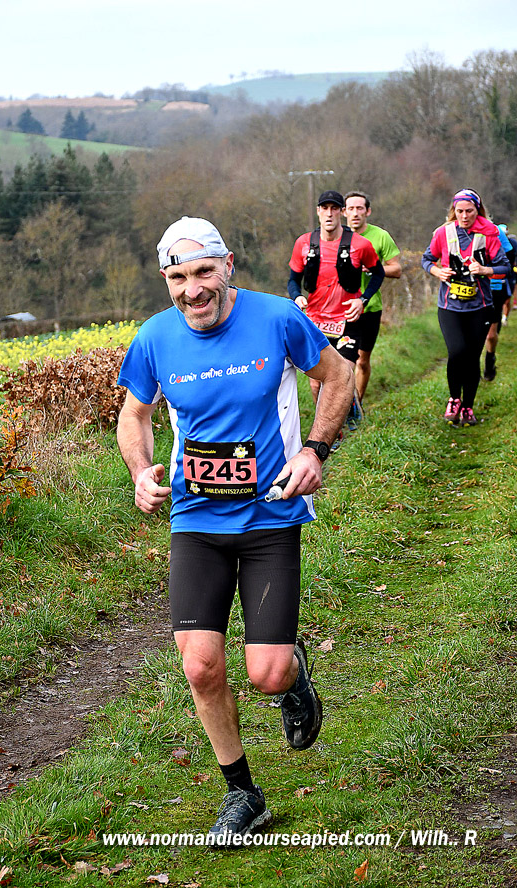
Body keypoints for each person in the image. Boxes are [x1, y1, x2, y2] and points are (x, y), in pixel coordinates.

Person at [116, 216, 354, 842]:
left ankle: (291, 673)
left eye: (202, 272)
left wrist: (316, 451)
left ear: (227, 267)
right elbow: (133, 416)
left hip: (272, 514)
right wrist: (140, 472)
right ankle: (243, 793)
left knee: (266, 674)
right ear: (165, 280)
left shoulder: (277, 318)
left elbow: (338, 377)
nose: (192, 289)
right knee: (200, 666)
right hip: (196, 520)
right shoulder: (154, 337)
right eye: (177, 277)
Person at [287, 190, 385, 429]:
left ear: (341, 212)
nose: (329, 213)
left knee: (344, 374)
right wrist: (297, 297)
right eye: (325, 208)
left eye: (334, 208)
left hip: (347, 320)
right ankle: (330, 428)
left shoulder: (360, 245)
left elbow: (378, 273)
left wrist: (362, 300)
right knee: (315, 383)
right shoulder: (304, 243)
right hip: (315, 321)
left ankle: (344, 422)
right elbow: (293, 279)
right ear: (318, 211)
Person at [421, 188, 511, 426]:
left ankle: (468, 407)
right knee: (456, 352)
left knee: (472, 358)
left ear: (477, 210)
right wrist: (438, 271)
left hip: (480, 306)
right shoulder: (443, 233)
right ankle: (454, 399)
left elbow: (505, 266)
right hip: (449, 306)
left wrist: (484, 270)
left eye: (469, 211)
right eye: (459, 211)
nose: (464, 216)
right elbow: (426, 259)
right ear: (454, 211)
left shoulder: (489, 234)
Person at [343, 192, 402, 401]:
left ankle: (357, 405)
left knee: (361, 361)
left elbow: (397, 269)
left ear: (367, 211)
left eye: (360, 208)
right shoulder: (335, 236)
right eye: (351, 209)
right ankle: (341, 406)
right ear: (344, 212)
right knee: (341, 363)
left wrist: (374, 269)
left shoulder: (381, 236)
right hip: (340, 309)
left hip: (370, 308)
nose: (355, 213)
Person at [482, 224, 513, 380]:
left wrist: (493, 271)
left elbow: (509, 259)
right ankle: (472, 368)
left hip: (494, 287)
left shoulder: (495, 231)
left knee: (490, 335)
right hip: (470, 288)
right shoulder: (455, 230)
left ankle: (490, 359)